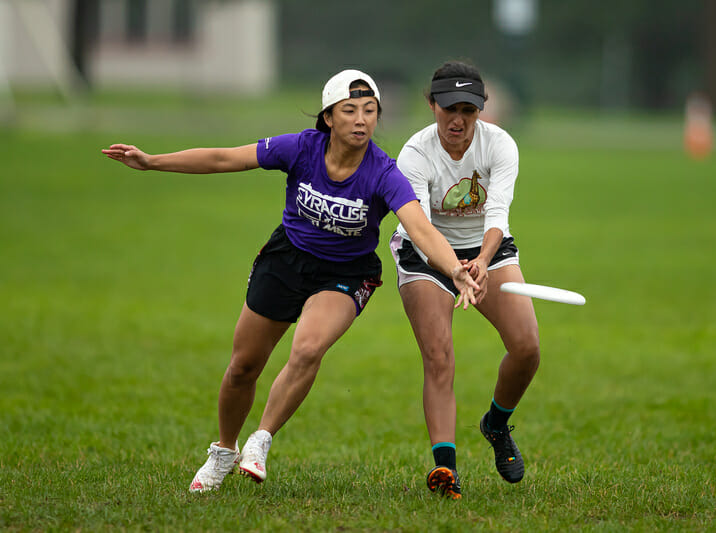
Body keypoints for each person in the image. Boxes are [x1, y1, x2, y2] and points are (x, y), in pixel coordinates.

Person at [102, 69, 480, 493]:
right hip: (286, 261)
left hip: (345, 274)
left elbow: (421, 228)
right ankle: (225, 450)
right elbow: (225, 159)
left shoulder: (383, 172)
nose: (361, 119)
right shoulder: (301, 148)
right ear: (328, 117)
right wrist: (152, 162)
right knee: (243, 367)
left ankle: (260, 440)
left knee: (308, 347)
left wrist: (454, 269)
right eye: (349, 110)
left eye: (370, 111)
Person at [390, 61, 540, 499]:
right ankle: (445, 470)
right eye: (448, 108)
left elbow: (498, 213)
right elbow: (418, 227)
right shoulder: (415, 154)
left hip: (487, 249)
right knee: (439, 356)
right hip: (425, 255)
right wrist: (453, 268)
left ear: (481, 110)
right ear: (431, 104)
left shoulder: (500, 145)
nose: (457, 120)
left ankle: (495, 424)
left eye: (468, 110)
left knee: (527, 347)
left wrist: (479, 263)